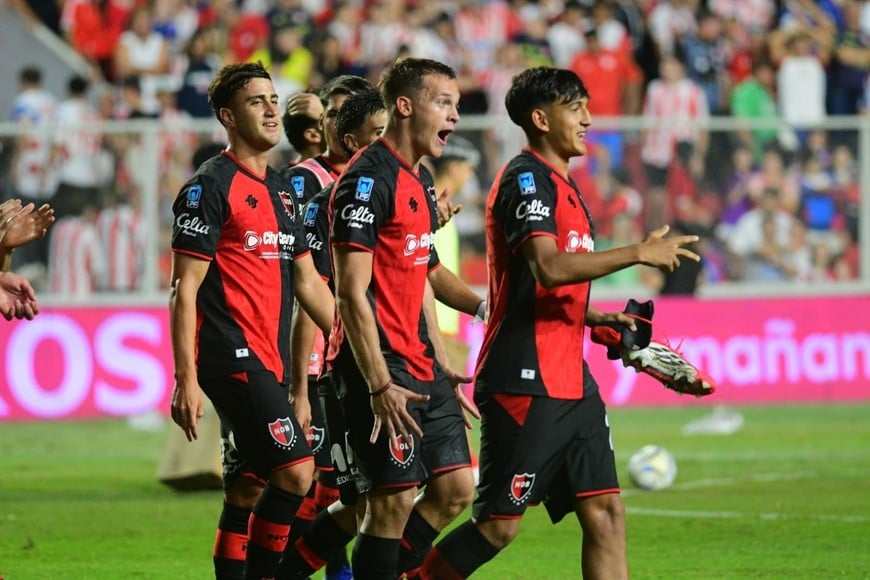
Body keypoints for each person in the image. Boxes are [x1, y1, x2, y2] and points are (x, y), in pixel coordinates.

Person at [416, 66, 701, 579]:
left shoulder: (564, 186)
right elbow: (548, 268)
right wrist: (638, 252)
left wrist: (594, 317)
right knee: (498, 527)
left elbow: (550, 287)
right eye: (577, 108)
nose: (589, 119)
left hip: (572, 380)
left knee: (606, 512)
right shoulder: (526, 180)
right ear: (541, 118)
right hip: (525, 379)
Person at [168, 62, 334, 580]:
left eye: (272, 98)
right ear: (227, 116)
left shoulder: (284, 190)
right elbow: (183, 289)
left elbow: (308, 282)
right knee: (297, 472)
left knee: (247, 487)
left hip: (269, 357)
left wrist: (350, 339)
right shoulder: (208, 187)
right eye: (255, 101)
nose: (269, 109)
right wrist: (185, 379)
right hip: (229, 356)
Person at [325, 57, 483, 579]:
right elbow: (350, 293)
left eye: (457, 106)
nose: (455, 117)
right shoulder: (366, 182)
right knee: (389, 505)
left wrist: (487, 309)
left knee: (456, 489)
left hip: (422, 364)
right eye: (445, 103)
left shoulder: (418, 179)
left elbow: (427, 274)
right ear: (405, 105)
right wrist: (378, 384)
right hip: (381, 369)